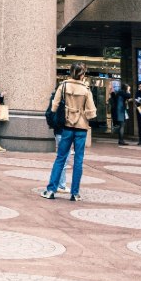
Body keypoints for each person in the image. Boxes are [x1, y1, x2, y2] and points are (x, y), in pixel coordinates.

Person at [41, 62, 98, 200]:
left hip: (66, 126)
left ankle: (51, 190)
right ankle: (75, 193)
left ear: (71, 72)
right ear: (82, 74)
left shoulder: (64, 85)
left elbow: (54, 107)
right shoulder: (86, 90)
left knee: (60, 158)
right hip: (81, 129)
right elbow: (92, 114)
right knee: (78, 161)